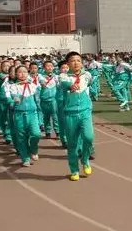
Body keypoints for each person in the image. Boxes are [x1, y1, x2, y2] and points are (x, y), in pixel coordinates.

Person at [59, 52, 94, 181]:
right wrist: (71, 85)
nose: (76, 63)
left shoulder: (87, 75)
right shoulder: (64, 76)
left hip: (85, 112)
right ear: (68, 64)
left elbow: (89, 83)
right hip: (70, 114)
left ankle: (85, 159)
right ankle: (74, 170)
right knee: (72, 144)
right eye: (72, 61)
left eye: (78, 60)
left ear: (82, 63)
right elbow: (63, 83)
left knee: (88, 138)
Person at [5, 65, 41, 167]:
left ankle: (33, 149)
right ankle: (25, 158)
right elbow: (10, 100)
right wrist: (14, 101)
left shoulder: (33, 85)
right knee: (21, 137)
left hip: (32, 114)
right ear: (16, 74)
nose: (22, 74)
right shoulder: (12, 87)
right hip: (18, 114)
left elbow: (38, 98)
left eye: (25, 72)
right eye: (20, 72)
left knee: (36, 134)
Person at [38, 60, 60, 139]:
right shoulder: (41, 76)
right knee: (46, 116)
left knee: (55, 116)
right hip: (44, 100)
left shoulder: (56, 77)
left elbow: (59, 85)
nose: (50, 67)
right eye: (48, 66)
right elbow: (41, 82)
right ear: (44, 68)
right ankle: (48, 131)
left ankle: (57, 131)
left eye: (51, 66)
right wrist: (43, 82)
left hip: (53, 100)